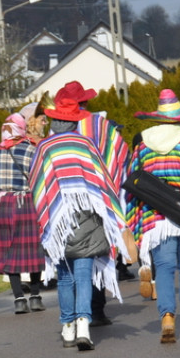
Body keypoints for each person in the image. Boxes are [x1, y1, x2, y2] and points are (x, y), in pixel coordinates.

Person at [29, 96, 130, 351]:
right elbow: (104, 181)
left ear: (54, 121)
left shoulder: (44, 147)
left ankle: (68, 327)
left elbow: (36, 184)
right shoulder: (86, 143)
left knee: (64, 276)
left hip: (58, 219)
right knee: (84, 272)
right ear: (74, 122)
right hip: (87, 214)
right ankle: (84, 323)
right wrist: (114, 218)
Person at [126, 90, 180, 343]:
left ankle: (167, 318)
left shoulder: (142, 147)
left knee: (163, 269)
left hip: (155, 218)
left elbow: (133, 179)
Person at [56, 81, 131, 326]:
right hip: (98, 197)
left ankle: (76, 313)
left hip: (65, 199)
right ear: (85, 101)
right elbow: (119, 155)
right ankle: (96, 310)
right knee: (97, 249)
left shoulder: (57, 129)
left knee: (70, 258)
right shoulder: (101, 125)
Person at [0, 113, 45, 314]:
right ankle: (35, 297)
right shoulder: (32, 150)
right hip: (27, 203)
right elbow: (40, 179)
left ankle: (19, 299)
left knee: (8, 252)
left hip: (4, 205)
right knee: (33, 250)